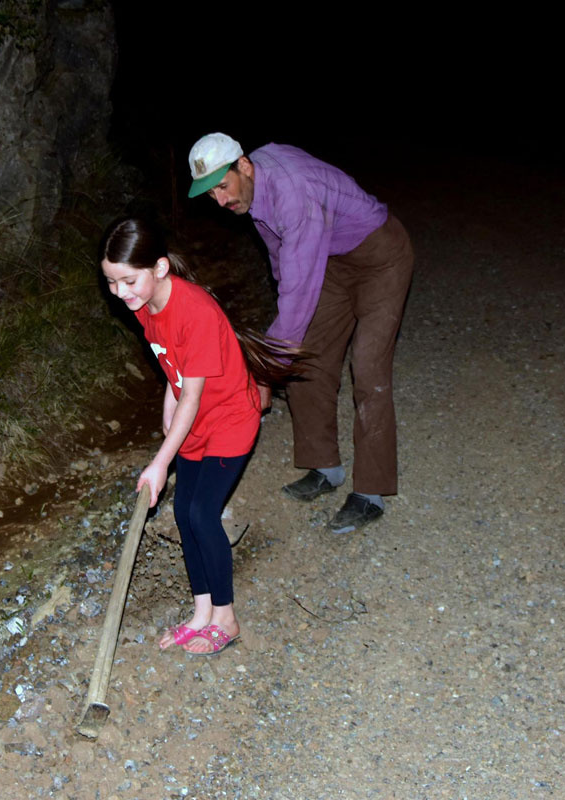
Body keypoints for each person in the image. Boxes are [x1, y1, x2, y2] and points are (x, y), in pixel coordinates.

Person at [187, 132, 414, 534]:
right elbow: (282, 260)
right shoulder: (255, 192)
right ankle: (325, 467)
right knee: (309, 358)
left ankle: (371, 493)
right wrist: (280, 354)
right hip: (331, 260)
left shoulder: (293, 192)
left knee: (368, 365)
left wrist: (262, 370)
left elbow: (298, 291)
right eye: (210, 195)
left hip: (380, 257)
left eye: (222, 187)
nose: (220, 201)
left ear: (243, 166)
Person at [99, 216, 296, 656]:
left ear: (161, 268)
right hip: (197, 420)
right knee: (184, 514)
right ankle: (201, 612)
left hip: (228, 418)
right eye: (111, 283)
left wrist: (160, 460)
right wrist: (168, 415)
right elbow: (175, 375)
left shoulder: (196, 312)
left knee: (203, 512)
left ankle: (226, 618)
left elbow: (194, 394)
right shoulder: (147, 310)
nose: (120, 293)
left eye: (128, 281)